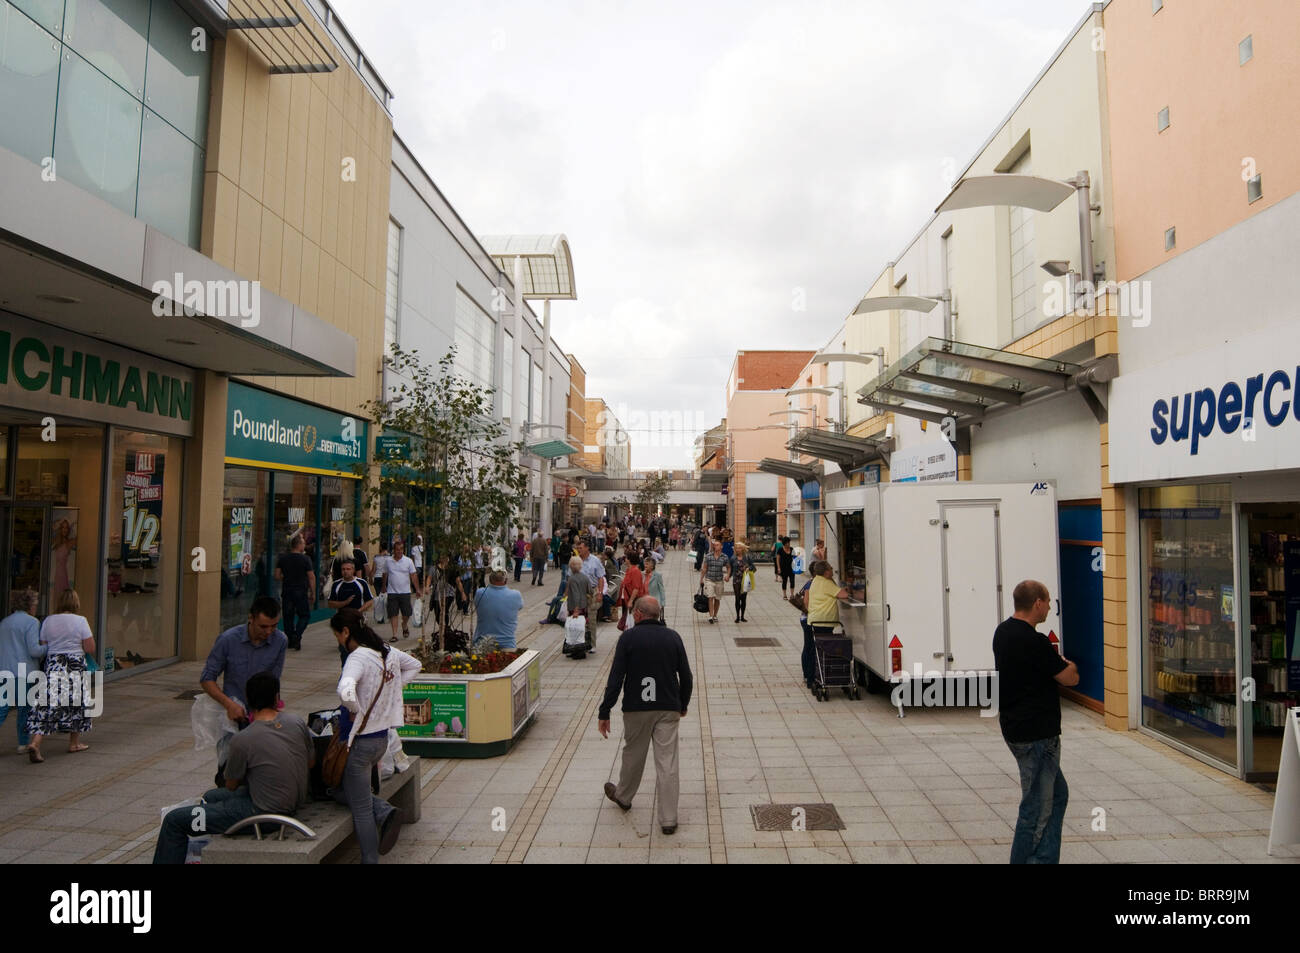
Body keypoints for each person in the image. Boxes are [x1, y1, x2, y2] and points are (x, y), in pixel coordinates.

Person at [153, 672, 312, 864]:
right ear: (277, 697)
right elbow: (310, 761)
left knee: (174, 820)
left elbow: (230, 785)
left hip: (264, 813)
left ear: (248, 701)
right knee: (210, 797)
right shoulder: (296, 722)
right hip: (293, 800)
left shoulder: (244, 738)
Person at [993, 580, 1079, 865]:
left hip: (1015, 727)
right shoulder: (1036, 641)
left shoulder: (1003, 632)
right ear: (1038, 603)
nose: (1050, 607)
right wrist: (1070, 666)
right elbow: (1070, 678)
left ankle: (1044, 859)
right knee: (1035, 808)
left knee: (1057, 796)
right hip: (1038, 735)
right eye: (1048, 601)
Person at [330, 608, 422, 864]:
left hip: (359, 743)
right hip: (382, 740)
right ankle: (385, 812)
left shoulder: (357, 657)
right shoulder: (385, 650)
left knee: (360, 810)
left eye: (337, 635)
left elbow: (345, 691)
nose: (338, 641)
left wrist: (355, 711)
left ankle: (369, 859)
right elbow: (415, 665)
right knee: (345, 791)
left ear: (346, 632)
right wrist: (392, 692)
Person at [598, 597, 693, 836]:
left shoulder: (628, 639)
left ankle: (624, 796)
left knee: (633, 754)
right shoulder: (673, 637)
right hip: (667, 706)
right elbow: (687, 676)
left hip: (636, 707)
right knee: (667, 762)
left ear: (639, 614)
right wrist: (683, 703)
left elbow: (616, 679)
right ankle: (669, 819)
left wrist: (605, 710)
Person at [200, 596, 288, 783]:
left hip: (262, 717)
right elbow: (207, 679)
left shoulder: (280, 641)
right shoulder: (228, 640)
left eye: (274, 626)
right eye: (264, 626)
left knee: (260, 770)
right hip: (233, 716)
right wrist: (229, 704)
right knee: (229, 771)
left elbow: (274, 681)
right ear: (251, 618)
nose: (269, 632)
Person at [25, 589, 96, 762]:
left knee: (48, 703)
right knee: (76, 703)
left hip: (54, 663)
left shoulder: (48, 620)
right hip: (74, 664)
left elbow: (44, 644)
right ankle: (74, 743)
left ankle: (36, 742)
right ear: (76, 603)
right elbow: (90, 647)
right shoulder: (80, 621)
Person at [1, 590, 46, 754]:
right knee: (24, 710)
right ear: (29, 605)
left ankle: (22, 742)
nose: (36, 607)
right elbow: (34, 650)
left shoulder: (5, 622)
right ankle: (22, 742)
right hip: (25, 671)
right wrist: (48, 648)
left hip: (5, 669)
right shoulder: (32, 622)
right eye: (35, 604)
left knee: (2, 707)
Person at [326, 559, 375, 666]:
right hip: (342, 623)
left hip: (358, 621)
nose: (345, 571)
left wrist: (358, 611)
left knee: (359, 649)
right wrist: (344, 603)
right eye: (343, 569)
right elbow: (330, 603)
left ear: (353, 570)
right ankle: (346, 672)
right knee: (344, 651)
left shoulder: (361, 583)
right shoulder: (336, 585)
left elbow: (370, 600)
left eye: (348, 569)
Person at [274, 534, 315, 651]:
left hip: (287, 590)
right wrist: (313, 592)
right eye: (303, 543)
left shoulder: (283, 558)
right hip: (301, 591)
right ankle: (297, 635)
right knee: (304, 615)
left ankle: (291, 638)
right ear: (299, 545)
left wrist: (286, 577)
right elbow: (311, 577)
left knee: (288, 616)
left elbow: (277, 575)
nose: (305, 545)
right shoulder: (305, 559)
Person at [474, 570, 525, 650]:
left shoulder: (480, 593)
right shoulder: (516, 595)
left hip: (482, 643)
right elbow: (520, 606)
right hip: (507, 643)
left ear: (490, 580)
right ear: (506, 581)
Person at [384, 538, 421, 642]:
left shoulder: (408, 561)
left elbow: (413, 575)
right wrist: (383, 586)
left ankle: (404, 625)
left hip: (405, 592)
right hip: (392, 592)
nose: (399, 551)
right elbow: (385, 574)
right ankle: (394, 634)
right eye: (397, 549)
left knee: (407, 613)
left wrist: (417, 589)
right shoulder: (388, 561)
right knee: (393, 614)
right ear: (393, 550)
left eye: (401, 549)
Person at [576, 540, 606, 651]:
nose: (579, 550)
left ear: (587, 548)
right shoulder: (576, 560)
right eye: (578, 548)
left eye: (581, 548)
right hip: (579, 592)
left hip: (592, 591)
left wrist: (600, 592)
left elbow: (600, 577)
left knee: (592, 618)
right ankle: (580, 642)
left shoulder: (595, 561)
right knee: (579, 618)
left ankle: (592, 644)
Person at [807, 559, 849, 636]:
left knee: (823, 645)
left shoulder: (816, 579)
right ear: (826, 572)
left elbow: (835, 590)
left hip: (817, 619)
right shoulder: (826, 582)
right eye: (831, 568)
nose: (832, 569)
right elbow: (844, 595)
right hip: (823, 620)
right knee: (826, 645)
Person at [564, 556, 592, 654]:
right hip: (584, 606)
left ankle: (575, 649)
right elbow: (590, 590)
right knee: (582, 627)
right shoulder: (585, 577)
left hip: (574, 607)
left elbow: (576, 595)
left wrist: (576, 609)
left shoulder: (572, 579)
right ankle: (582, 646)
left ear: (571, 566)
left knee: (574, 628)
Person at [699, 538, 731, 624]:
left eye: (717, 545)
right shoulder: (708, 556)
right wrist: (701, 579)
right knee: (710, 597)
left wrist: (728, 575)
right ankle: (711, 615)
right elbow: (704, 568)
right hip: (709, 579)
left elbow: (728, 567)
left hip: (719, 580)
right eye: (714, 545)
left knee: (717, 598)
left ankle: (715, 615)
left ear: (721, 547)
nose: (715, 546)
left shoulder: (724, 557)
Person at [618, 556, 647, 628]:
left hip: (633, 600)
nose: (625, 559)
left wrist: (631, 601)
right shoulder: (629, 570)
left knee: (633, 619)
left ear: (629, 560)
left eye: (626, 558)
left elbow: (636, 588)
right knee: (627, 619)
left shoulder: (635, 571)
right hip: (626, 599)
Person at [731, 542, 756, 623]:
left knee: (743, 599)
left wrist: (749, 568)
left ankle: (742, 616)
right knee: (737, 598)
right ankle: (737, 616)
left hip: (745, 580)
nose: (737, 549)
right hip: (736, 580)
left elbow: (754, 568)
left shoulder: (747, 557)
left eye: (739, 548)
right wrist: (727, 576)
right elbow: (730, 569)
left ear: (743, 549)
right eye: (736, 548)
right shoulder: (733, 558)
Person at [643, 555, 667, 622]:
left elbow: (661, 589)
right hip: (644, 602)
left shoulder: (657, 575)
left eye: (647, 564)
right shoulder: (642, 574)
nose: (645, 565)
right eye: (645, 563)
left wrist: (662, 603)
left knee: (652, 621)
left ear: (652, 566)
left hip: (654, 603)